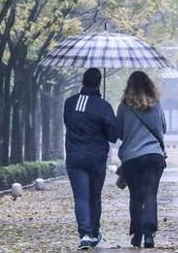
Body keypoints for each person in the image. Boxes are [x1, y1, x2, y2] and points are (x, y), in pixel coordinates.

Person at [64, 68, 120, 250]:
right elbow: (113, 136)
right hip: (96, 159)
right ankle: (95, 232)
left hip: (74, 158)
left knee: (81, 196)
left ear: (83, 81)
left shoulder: (70, 103)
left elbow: (70, 124)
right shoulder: (103, 106)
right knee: (95, 196)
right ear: (98, 82)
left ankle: (85, 234)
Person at [116, 71, 167, 249]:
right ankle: (149, 234)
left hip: (131, 158)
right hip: (153, 155)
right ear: (149, 85)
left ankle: (137, 234)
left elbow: (118, 132)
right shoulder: (156, 105)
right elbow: (163, 128)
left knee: (136, 196)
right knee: (150, 194)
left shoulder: (123, 106)